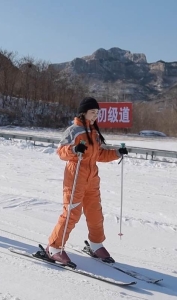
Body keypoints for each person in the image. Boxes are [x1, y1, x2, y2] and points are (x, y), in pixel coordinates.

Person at [45, 97, 128, 266]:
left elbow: (99, 156)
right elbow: (61, 152)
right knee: (72, 214)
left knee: (95, 213)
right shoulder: (73, 131)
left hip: (92, 179)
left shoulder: (95, 133)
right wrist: (74, 149)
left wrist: (116, 153)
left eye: (97, 113)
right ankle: (53, 248)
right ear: (83, 112)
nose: (95, 116)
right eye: (92, 112)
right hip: (75, 177)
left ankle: (96, 244)